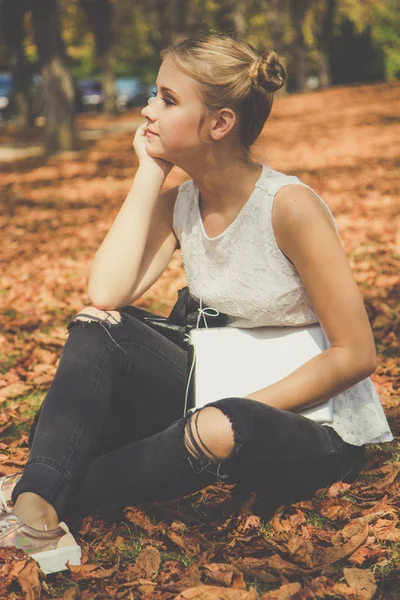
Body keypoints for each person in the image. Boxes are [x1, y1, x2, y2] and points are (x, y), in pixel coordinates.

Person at [0, 33, 393, 574]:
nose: (146, 110)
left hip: (311, 423)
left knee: (219, 427)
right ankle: (38, 499)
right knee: (98, 326)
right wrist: (148, 173)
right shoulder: (181, 203)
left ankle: (50, 493)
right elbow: (106, 294)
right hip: (211, 381)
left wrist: (241, 402)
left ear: (220, 123)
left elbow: (355, 354)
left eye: (167, 98)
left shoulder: (289, 207)